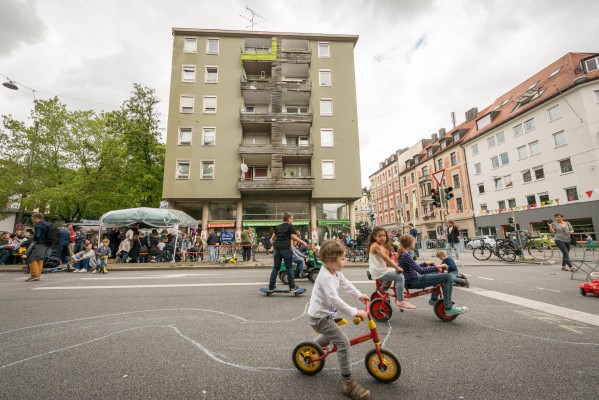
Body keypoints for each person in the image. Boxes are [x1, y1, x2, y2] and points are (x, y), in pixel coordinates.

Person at [307, 240, 370, 400]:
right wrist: (355, 312)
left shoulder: (335, 272)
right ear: (329, 260)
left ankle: (312, 347)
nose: (345, 261)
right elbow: (334, 299)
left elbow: (345, 284)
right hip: (320, 318)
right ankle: (347, 383)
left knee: (331, 336)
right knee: (343, 343)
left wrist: (358, 294)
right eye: (342, 258)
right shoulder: (326, 278)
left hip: (326, 314)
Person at [398, 234, 467, 316]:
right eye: (414, 243)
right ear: (409, 244)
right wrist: (438, 266)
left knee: (436, 274)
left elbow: (414, 268)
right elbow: (421, 271)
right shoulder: (406, 255)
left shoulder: (405, 254)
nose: (415, 244)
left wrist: (425, 263)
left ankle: (433, 299)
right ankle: (448, 308)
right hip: (414, 280)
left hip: (413, 278)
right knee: (448, 277)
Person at [367, 227, 416, 310]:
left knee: (398, 273)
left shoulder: (380, 245)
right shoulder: (376, 246)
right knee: (400, 277)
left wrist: (396, 266)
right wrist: (396, 267)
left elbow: (385, 261)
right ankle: (400, 300)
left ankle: (386, 291)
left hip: (381, 270)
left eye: (384, 236)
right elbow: (386, 259)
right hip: (378, 271)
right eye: (380, 236)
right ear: (374, 237)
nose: (382, 237)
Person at [267, 212, 308, 293]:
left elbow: (272, 237)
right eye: (292, 218)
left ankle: (271, 287)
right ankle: (292, 287)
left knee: (276, 267)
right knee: (289, 267)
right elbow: (293, 237)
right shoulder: (290, 226)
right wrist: (303, 242)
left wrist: (272, 241)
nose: (293, 220)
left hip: (277, 249)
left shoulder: (278, 226)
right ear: (289, 219)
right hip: (286, 248)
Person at [25, 213, 51, 282]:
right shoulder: (48, 224)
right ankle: (38, 275)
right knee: (40, 259)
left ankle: (35, 275)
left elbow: (37, 236)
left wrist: (32, 238)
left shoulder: (39, 225)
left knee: (31, 258)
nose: (33, 220)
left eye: (33, 219)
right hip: (48, 244)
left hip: (40, 243)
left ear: (37, 218)